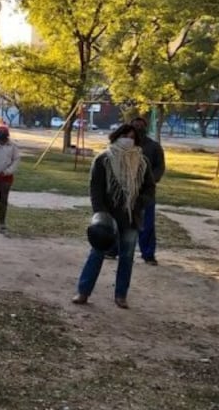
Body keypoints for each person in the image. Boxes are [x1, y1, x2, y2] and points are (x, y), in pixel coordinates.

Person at [71, 124, 156, 309]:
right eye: (125, 135)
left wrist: (141, 201)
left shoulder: (142, 162)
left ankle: (120, 295)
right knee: (97, 254)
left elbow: (150, 187)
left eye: (132, 136)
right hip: (108, 217)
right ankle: (83, 292)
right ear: (116, 136)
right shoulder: (104, 160)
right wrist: (100, 213)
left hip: (131, 218)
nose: (128, 139)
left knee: (126, 257)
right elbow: (95, 188)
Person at [131, 116, 166, 265]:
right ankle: (113, 250)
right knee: (121, 222)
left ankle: (148, 254)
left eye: (141, 126)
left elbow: (160, 167)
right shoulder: (125, 145)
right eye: (135, 126)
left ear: (145, 128)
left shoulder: (154, 147)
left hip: (146, 192)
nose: (138, 128)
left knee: (147, 224)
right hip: (126, 190)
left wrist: (152, 180)